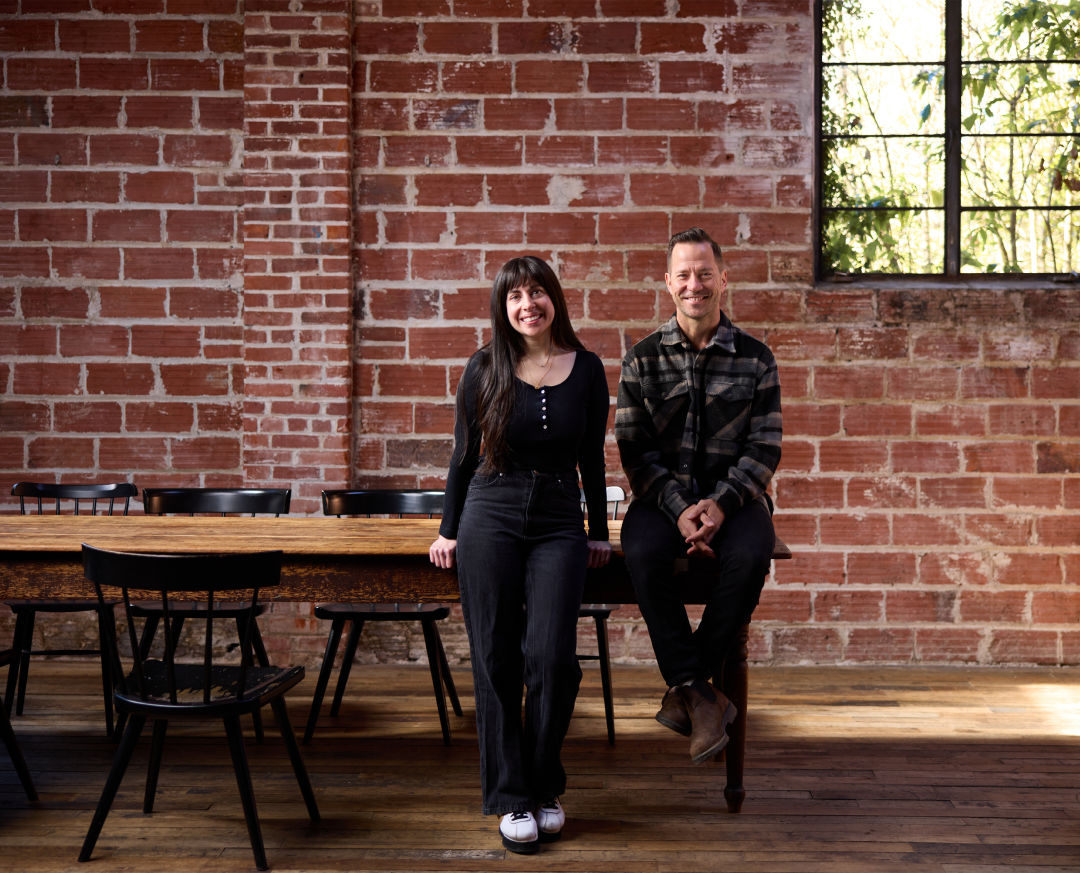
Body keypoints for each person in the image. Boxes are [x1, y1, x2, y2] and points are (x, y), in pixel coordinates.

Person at [429, 255, 612, 854]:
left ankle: (544, 783)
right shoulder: (484, 366)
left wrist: (597, 529)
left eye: (536, 292)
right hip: (491, 512)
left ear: (553, 298)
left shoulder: (587, 368)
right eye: (515, 296)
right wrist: (448, 529)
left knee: (552, 657)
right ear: (502, 306)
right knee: (495, 655)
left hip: (559, 518)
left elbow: (591, 458)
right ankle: (512, 796)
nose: (527, 305)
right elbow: (463, 455)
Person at [615, 227, 782, 765]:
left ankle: (689, 686)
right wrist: (679, 508)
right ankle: (704, 694)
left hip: (738, 502)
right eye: (684, 275)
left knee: (751, 555)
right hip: (660, 501)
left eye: (705, 273)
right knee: (641, 552)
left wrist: (720, 504)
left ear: (723, 280)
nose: (695, 284)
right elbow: (634, 451)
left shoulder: (757, 359)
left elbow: (765, 447)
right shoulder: (641, 360)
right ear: (668, 282)